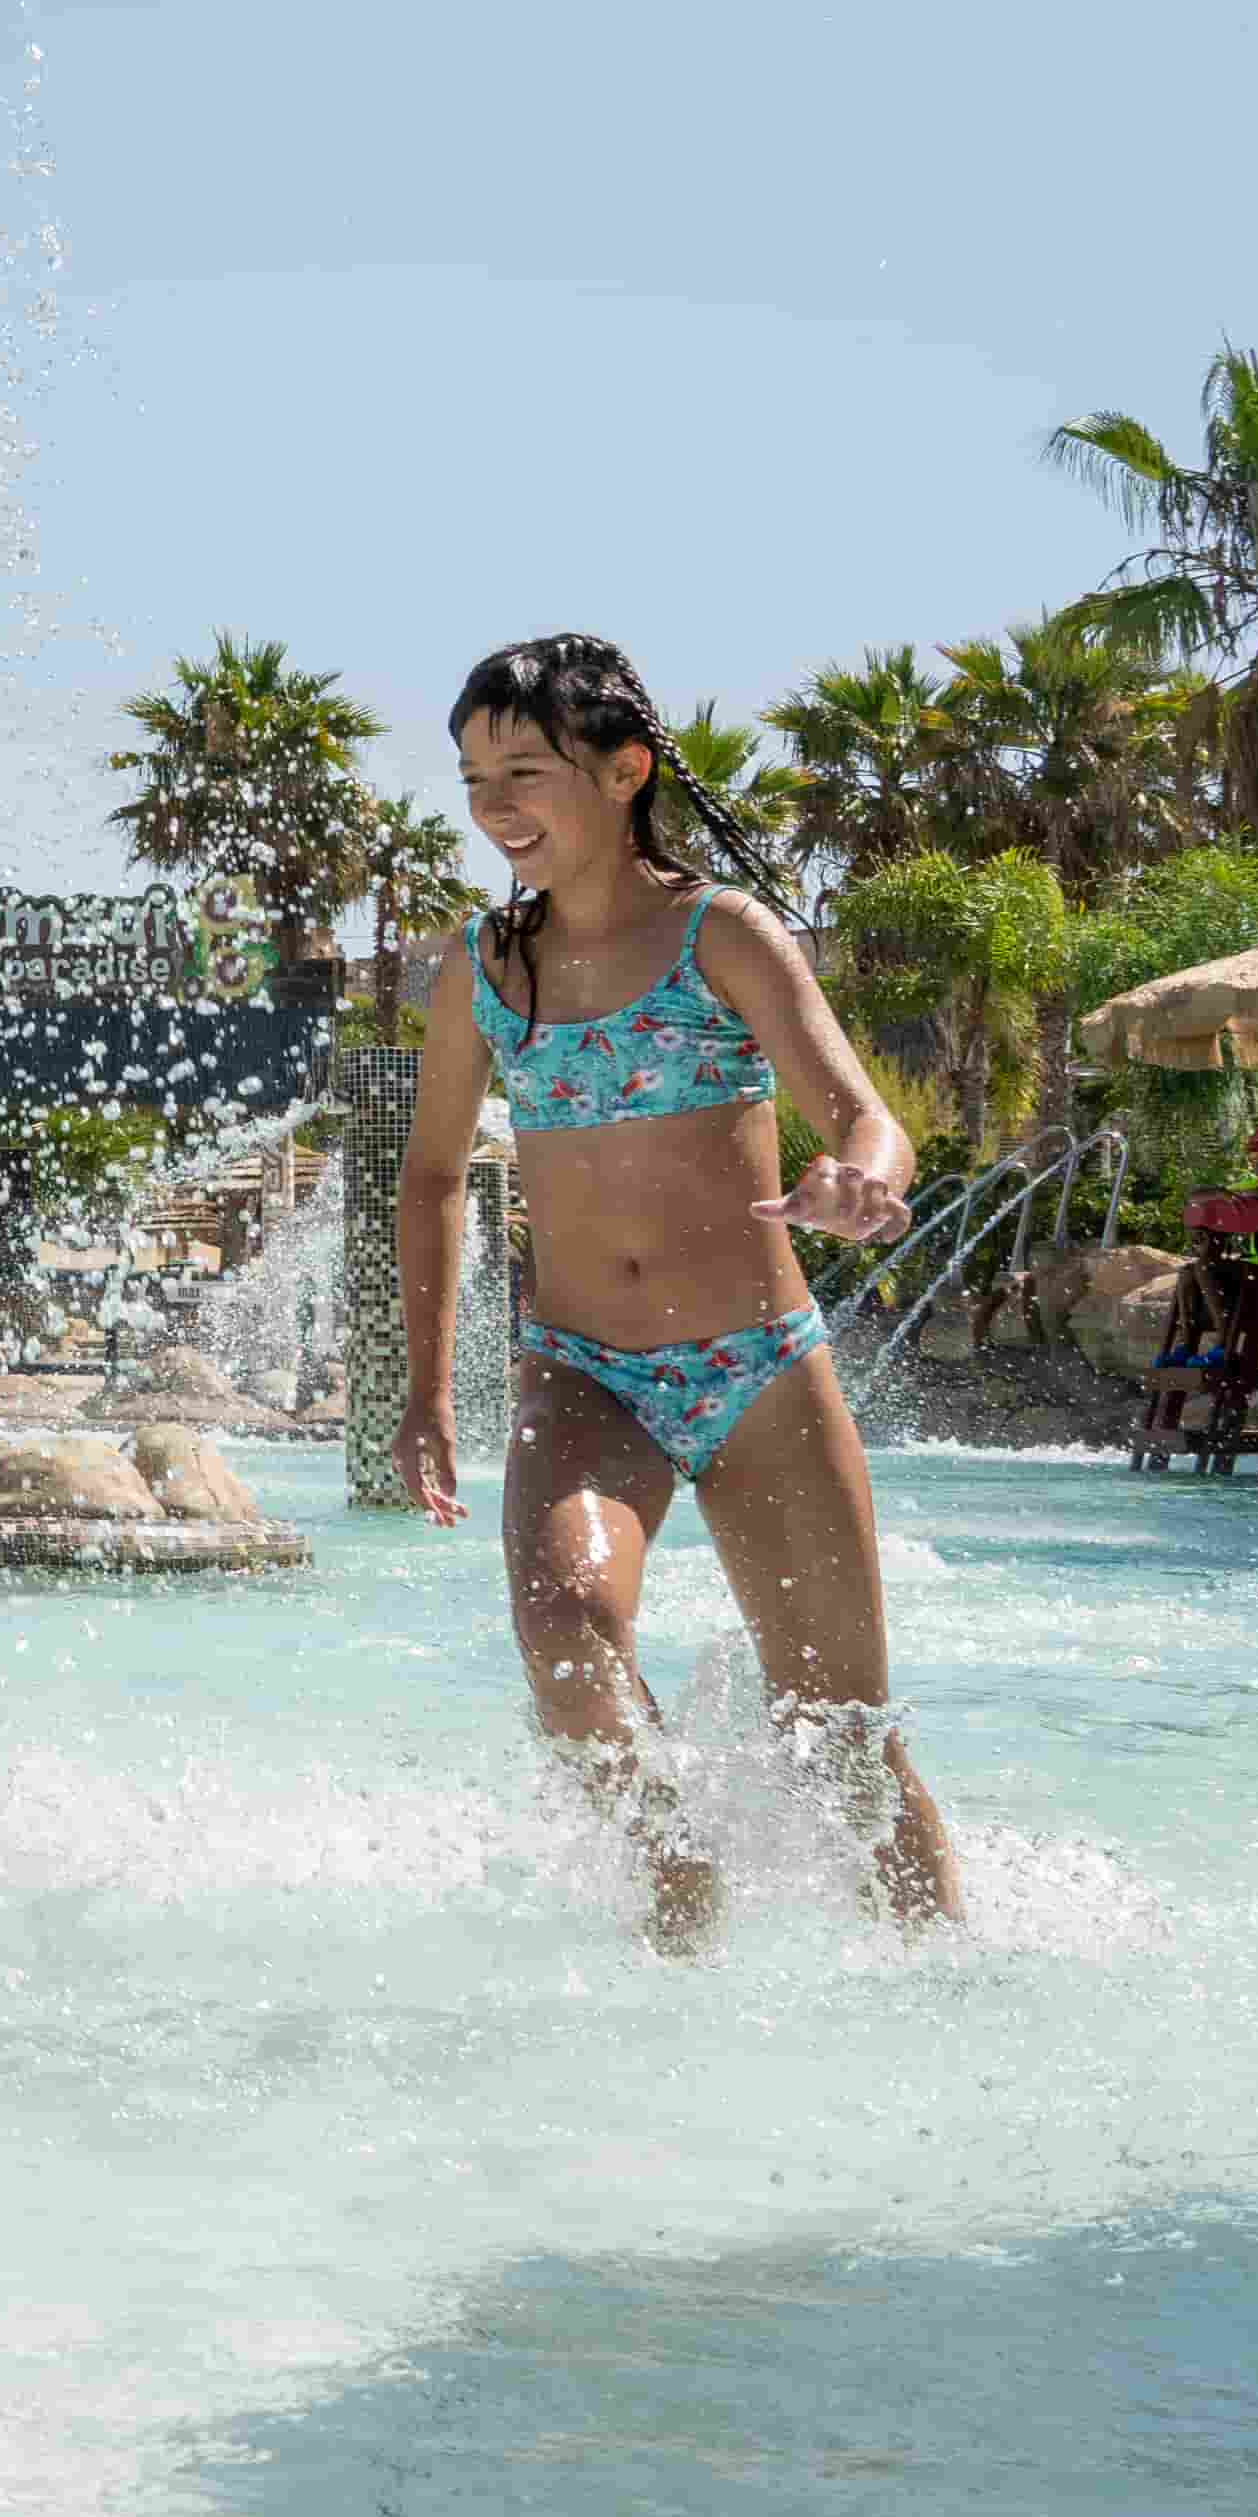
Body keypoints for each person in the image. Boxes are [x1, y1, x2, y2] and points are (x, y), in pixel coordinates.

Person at [399, 633, 961, 1947]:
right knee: (567, 1638)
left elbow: (867, 1120)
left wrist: (863, 1178)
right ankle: (680, 1895)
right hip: (585, 1372)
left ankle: (953, 1985)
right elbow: (430, 1177)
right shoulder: (487, 971)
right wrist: (429, 1396)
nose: (495, 809)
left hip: (758, 1371)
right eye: (474, 778)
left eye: (525, 772)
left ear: (623, 770)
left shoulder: (724, 936)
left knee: (844, 1741)